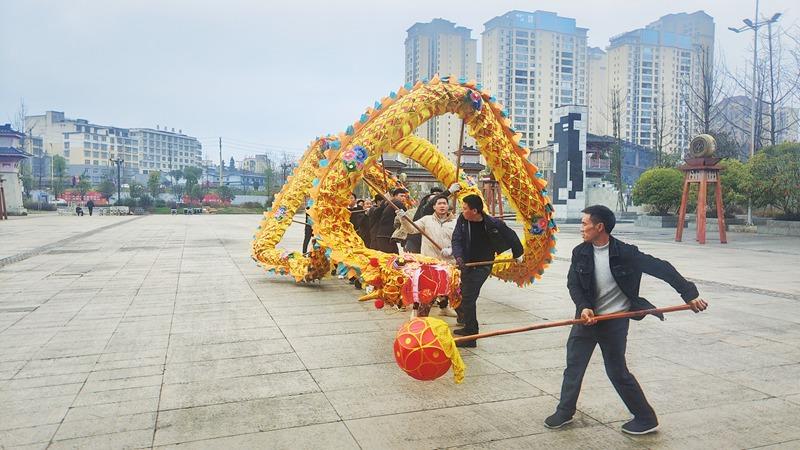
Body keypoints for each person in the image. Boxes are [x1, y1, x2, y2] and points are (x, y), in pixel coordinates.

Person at [544, 205, 708, 435]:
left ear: (599, 227)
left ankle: (646, 418)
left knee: (617, 371)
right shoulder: (580, 252)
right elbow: (574, 284)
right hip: (586, 320)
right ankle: (564, 411)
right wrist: (583, 307)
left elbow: (663, 268)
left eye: (584, 224)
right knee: (574, 367)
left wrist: (689, 295)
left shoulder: (626, 253)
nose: (581, 228)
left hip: (615, 322)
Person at [451, 194, 523, 347]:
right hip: (467, 264)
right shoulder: (463, 220)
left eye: (465, 209)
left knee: (469, 297)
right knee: (465, 295)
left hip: (483, 265)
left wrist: (518, 254)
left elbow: (512, 236)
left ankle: (471, 336)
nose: (462, 211)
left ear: (475, 210)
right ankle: (468, 327)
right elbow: (456, 239)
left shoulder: (493, 223)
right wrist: (458, 257)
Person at [397, 194, 458, 317]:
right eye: (439, 203)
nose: (442, 206)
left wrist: (452, 250)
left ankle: (444, 308)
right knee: (426, 291)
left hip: (447, 262)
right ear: (434, 206)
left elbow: (460, 241)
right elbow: (411, 230)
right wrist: (403, 219)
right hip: (429, 262)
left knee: (446, 289)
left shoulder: (455, 222)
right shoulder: (426, 220)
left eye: (444, 203)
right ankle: (418, 315)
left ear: (448, 206)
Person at [372, 188, 408, 254]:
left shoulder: (389, 204)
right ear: (395, 196)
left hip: (383, 236)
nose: (404, 198)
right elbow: (407, 215)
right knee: (392, 259)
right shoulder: (396, 202)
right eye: (401, 196)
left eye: (405, 196)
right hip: (387, 236)